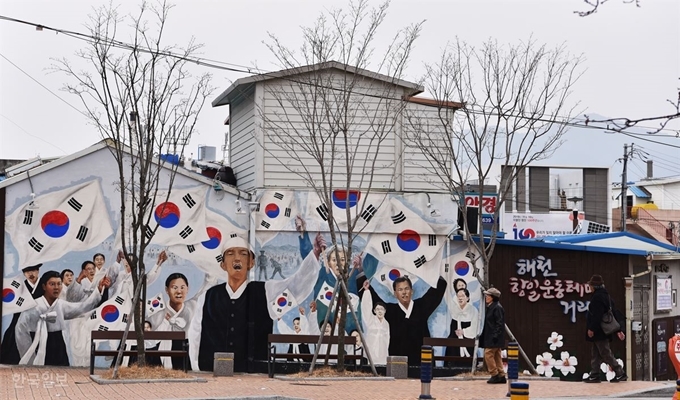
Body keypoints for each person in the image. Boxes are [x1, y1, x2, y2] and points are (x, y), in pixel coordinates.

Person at [15, 270, 110, 366]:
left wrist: (99, 288)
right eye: (52, 284)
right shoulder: (33, 307)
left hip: (58, 345)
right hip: (37, 343)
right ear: (44, 286)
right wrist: (30, 358)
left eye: (59, 284)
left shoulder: (60, 305)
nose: (56, 287)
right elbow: (20, 330)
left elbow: (82, 308)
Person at [359, 274, 446, 367]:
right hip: (397, 362)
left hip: (420, 361)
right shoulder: (390, 311)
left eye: (406, 289)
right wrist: (364, 283)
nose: (404, 292)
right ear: (395, 294)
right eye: (400, 290)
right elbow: (374, 299)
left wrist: (438, 273)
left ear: (412, 291)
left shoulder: (421, 306)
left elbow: (437, 292)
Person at [150, 271, 214, 370]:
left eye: (182, 287)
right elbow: (147, 328)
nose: (179, 291)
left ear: (187, 289)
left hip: (187, 349)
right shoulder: (160, 312)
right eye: (174, 288)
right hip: (165, 350)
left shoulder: (192, 306)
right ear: (167, 290)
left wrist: (210, 271)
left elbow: (206, 288)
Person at [583, 274, 627, 383]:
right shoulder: (606, 296)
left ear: (594, 286)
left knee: (605, 352)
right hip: (605, 329)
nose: (590, 287)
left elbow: (597, 315)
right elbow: (613, 313)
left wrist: (592, 328)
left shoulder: (597, 298)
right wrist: (618, 330)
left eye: (591, 285)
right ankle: (594, 374)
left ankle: (620, 372)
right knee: (596, 353)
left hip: (600, 330)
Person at [0, 264, 43, 364]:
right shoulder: (19, 287)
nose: (30, 274)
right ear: (24, 273)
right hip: (19, 321)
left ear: (38, 271)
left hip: (39, 323)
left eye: (33, 270)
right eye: (27, 271)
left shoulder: (44, 286)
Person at [480, 287, 506, 384]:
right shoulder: (493, 307)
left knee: (488, 354)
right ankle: (501, 375)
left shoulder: (496, 308)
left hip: (493, 337)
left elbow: (499, 323)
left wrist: (495, 335)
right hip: (494, 336)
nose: (486, 297)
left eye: (488, 295)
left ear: (493, 297)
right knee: (497, 356)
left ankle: (494, 374)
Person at [360, 280, 389, 365]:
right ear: (374, 311)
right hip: (371, 350)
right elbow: (366, 307)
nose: (380, 311)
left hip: (382, 352)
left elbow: (388, 339)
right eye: (378, 309)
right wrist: (366, 291)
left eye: (382, 309)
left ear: (385, 311)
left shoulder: (386, 324)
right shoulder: (370, 320)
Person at [445, 288, 478, 361]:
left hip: (468, 340)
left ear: (467, 298)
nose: (460, 298)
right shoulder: (454, 309)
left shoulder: (473, 310)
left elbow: (475, 327)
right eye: (458, 296)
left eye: (462, 296)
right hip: (454, 341)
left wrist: (463, 331)